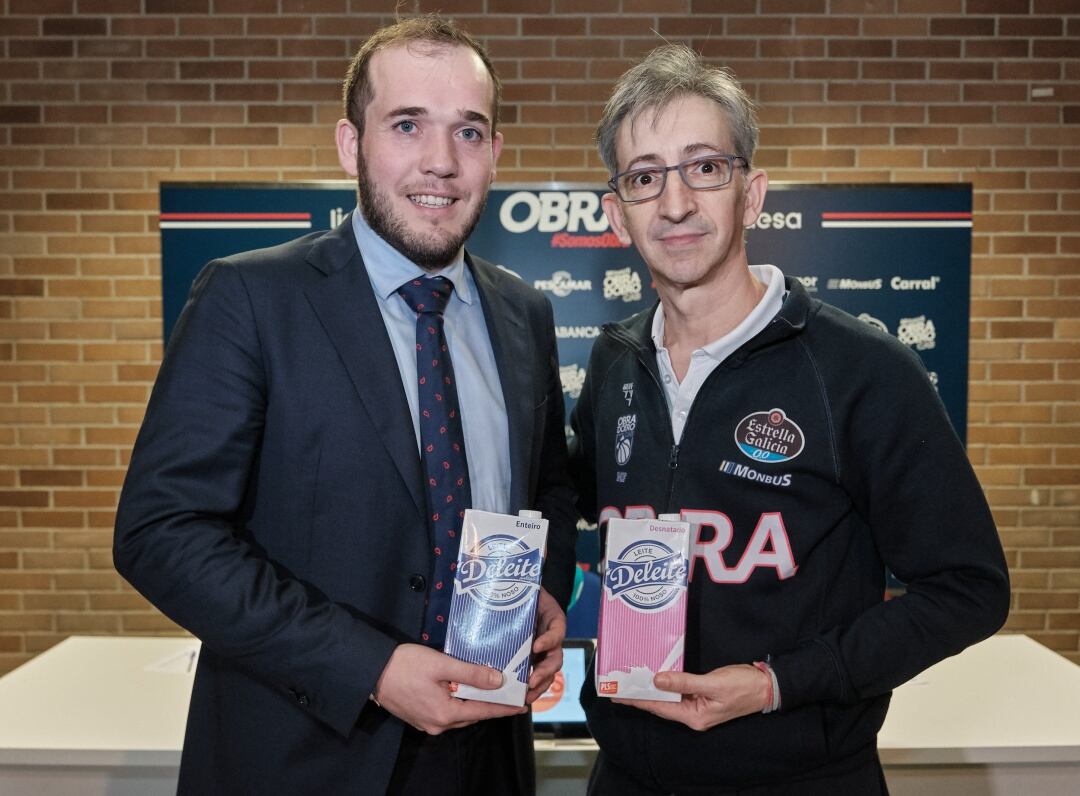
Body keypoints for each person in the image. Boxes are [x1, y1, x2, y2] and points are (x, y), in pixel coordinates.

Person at [114, 16, 577, 796]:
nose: (441, 161)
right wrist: (372, 667)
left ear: (496, 153)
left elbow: (550, 491)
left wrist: (547, 590)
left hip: (486, 759)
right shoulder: (250, 298)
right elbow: (162, 532)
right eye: (407, 125)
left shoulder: (522, 312)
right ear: (349, 143)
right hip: (305, 755)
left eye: (469, 131)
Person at [569, 44, 1010, 795]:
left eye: (704, 167)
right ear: (617, 213)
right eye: (645, 177)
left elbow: (969, 589)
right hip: (629, 775)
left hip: (803, 777)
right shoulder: (614, 363)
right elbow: (579, 518)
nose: (675, 204)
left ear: (752, 192)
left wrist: (777, 682)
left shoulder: (862, 369)